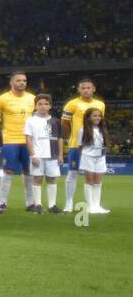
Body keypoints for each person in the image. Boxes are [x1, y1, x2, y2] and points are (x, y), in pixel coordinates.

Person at [0, 72, 35, 212]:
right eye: (18, 80)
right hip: (9, 139)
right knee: (8, 170)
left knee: (29, 171)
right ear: (11, 83)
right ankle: (2, 202)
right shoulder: (2, 99)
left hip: (28, 140)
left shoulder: (32, 99)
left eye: (24, 80)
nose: (22, 83)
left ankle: (30, 202)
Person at [61, 77, 104, 213]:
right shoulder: (72, 104)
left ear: (93, 89)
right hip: (76, 145)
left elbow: (101, 123)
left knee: (94, 176)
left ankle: (94, 205)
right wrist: (70, 138)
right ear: (79, 89)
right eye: (83, 88)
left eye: (88, 88)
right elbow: (64, 123)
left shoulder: (100, 104)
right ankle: (69, 203)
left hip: (94, 147)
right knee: (73, 173)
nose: (86, 90)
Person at [24, 93, 61, 214]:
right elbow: (28, 139)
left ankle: (52, 205)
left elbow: (60, 138)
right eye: (40, 104)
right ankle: (38, 205)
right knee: (37, 179)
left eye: (46, 104)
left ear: (50, 106)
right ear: (35, 106)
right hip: (38, 155)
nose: (43, 106)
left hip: (53, 154)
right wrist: (33, 155)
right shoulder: (31, 121)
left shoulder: (55, 121)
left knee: (52, 179)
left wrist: (60, 155)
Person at [78, 107, 110, 214]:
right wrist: (85, 156)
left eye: (99, 116)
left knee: (98, 182)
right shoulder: (83, 130)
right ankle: (90, 206)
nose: (97, 118)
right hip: (88, 157)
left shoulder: (103, 129)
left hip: (101, 157)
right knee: (89, 181)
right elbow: (80, 146)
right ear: (88, 117)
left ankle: (97, 206)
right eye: (94, 116)